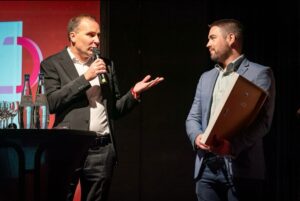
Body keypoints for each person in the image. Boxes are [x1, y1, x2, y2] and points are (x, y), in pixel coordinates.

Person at [40, 14, 164, 201]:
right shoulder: (52, 64)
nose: (97, 40)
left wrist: (134, 94)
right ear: (73, 36)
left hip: (101, 148)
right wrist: (86, 78)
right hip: (68, 147)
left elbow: (114, 110)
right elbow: (51, 103)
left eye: (98, 35)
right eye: (90, 35)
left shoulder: (106, 65)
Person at [185, 19, 275, 201]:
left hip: (242, 168)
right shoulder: (206, 77)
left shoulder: (260, 73)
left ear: (231, 38)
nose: (207, 44)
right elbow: (192, 117)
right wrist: (197, 137)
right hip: (206, 169)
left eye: (212, 38)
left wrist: (232, 147)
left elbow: (263, 122)